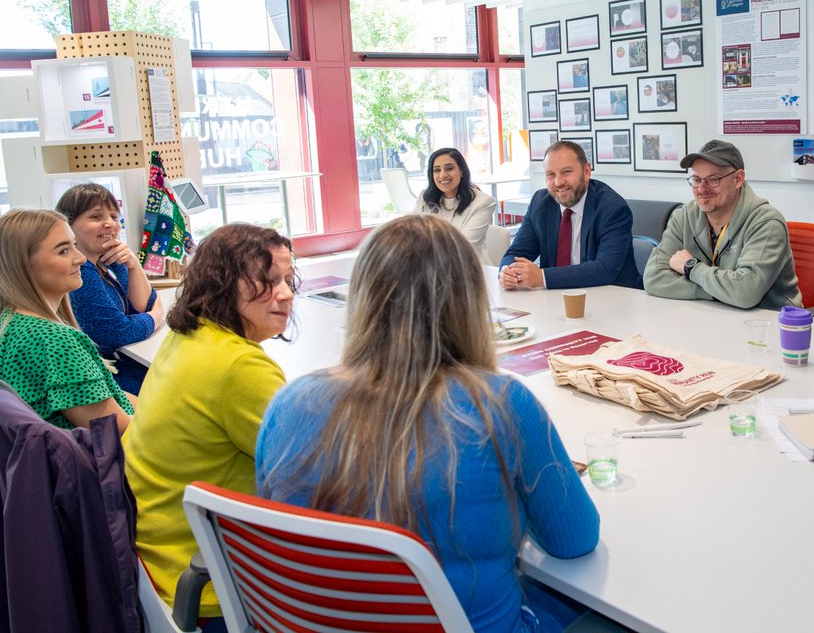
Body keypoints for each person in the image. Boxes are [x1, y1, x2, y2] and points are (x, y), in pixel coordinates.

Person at [256, 215, 600, 632]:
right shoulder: (501, 404)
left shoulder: (287, 406)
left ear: (362, 297)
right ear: (469, 301)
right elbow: (574, 541)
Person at [124, 223, 293, 628]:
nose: (287, 293)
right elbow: (321, 474)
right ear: (223, 285)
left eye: (288, 279)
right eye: (269, 281)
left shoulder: (189, 335)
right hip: (217, 579)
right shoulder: (239, 367)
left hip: (160, 558)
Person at [0, 208, 134, 432]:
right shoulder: (53, 341)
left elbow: (109, 398)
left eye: (75, 245)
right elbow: (120, 432)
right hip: (102, 453)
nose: (80, 258)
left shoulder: (9, 324)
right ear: (23, 265)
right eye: (63, 251)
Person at [644, 139, 801, 309]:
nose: (702, 189)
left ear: (738, 179)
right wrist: (723, 291)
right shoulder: (683, 217)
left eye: (713, 179)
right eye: (696, 180)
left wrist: (692, 268)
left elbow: (745, 293)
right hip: (708, 315)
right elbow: (653, 278)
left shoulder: (766, 223)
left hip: (769, 320)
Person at [56, 183, 164, 394]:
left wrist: (133, 264)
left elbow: (142, 305)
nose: (110, 224)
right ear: (68, 226)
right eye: (96, 217)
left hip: (123, 364)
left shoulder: (107, 260)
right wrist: (157, 314)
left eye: (114, 217)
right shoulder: (79, 273)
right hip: (107, 378)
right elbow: (118, 332)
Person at [499, 140, 641, 290]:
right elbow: (516, 253)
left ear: (586, 172)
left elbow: (605, 269)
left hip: (613, 296)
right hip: (555, 296)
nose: (558, 182)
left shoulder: (612, 208)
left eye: (566, 172)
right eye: (551, 175)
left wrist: (542, 277)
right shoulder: (540, 203)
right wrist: (507, 272)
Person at [414, 147, 497, 262]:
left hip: (469, 268)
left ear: (462, 171)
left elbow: (464, 247)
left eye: (449, 168)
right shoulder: (424, 198)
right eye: (437, 170)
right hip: (431, 266)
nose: (443, 175)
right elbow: (413, 236)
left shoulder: (483, 202)